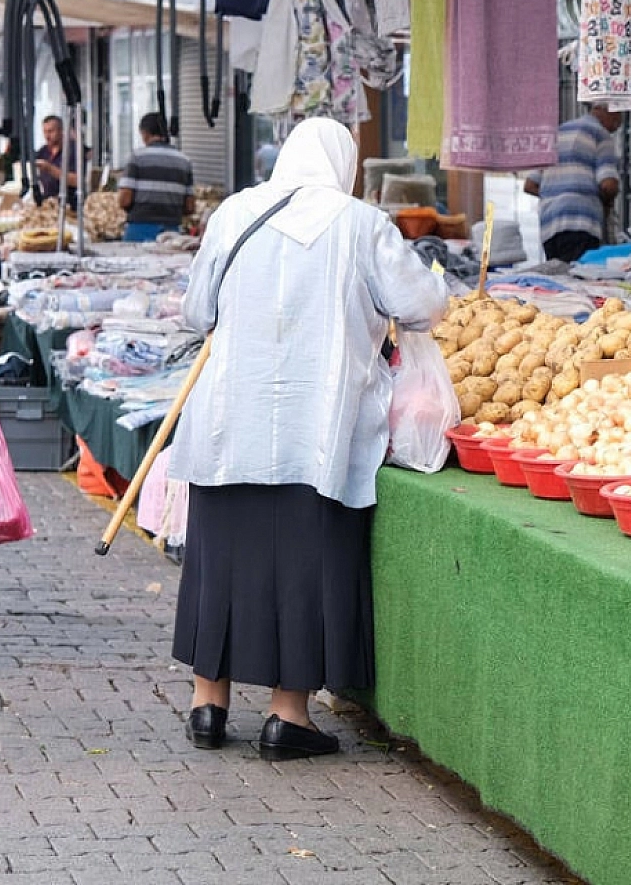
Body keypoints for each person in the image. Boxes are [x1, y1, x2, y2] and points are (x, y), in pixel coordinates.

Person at [165, 118, 447, 761]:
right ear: (343, 164)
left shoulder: (236, 212)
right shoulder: (360, 224)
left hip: (228, 419)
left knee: (223, 560)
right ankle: (288, 717)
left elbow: (195, 312)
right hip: (319, 425)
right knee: (304, 562)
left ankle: (208, 704)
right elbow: (422, 306)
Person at [523, 105, 623, 263]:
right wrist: (606, 201)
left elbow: (530, 185)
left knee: (559, 280)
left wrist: (557, 194)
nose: (618, 125)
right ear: (609, 111)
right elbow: (608, 184)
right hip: (581, 222)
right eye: (618, 118)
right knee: (578, 281)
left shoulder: (556, 134)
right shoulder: (600, 134)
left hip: (549, 224)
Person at [117, 112, 194, 242]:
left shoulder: (137, 158)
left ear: (145, 133)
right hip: (172, 233)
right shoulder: (184, 161)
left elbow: (125, 200)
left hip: (139, 230)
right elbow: (190, 206)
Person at [34, 115, 80, 206]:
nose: (47, 136)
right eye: (45, 132)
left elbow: (77, 181)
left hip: (68, 205)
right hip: (47, 204)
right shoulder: (43, 151)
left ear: (61, 131)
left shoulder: (74, 150)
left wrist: (50, 169)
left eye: (51, 131)